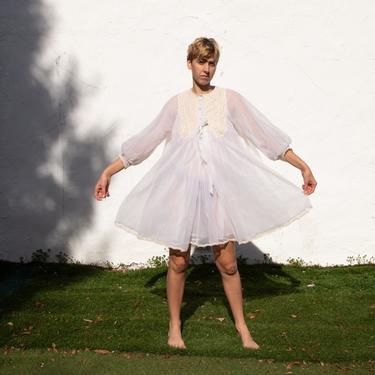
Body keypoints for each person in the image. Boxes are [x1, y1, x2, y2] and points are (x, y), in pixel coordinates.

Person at [93, 37, 317, 350]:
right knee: (179, 261)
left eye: (211, 63)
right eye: (201, 62)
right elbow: (144, 143)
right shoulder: (175, 105)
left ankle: (242, 327)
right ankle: (174, 327)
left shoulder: (230, 100)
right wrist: (108, 172)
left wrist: (302, 166)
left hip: (218, 194)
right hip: (180, 192)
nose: (206, 69)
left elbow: (265, 137)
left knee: (227, 263)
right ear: (190, 64)